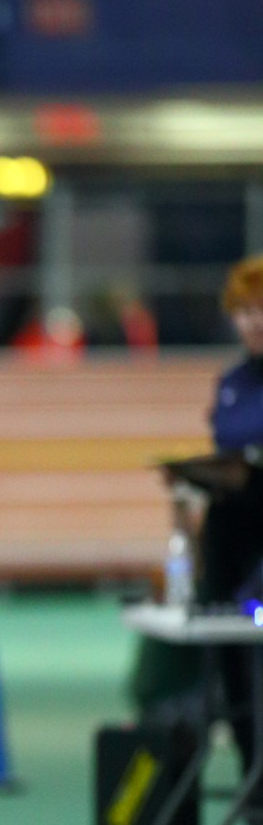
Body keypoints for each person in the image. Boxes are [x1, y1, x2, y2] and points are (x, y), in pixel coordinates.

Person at [194, 253, 263, 784]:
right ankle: (251, 787)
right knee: (234, 672)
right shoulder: (232, 381)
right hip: (231, 542)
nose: (252, 321)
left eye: (260, 309)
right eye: (242, 311)